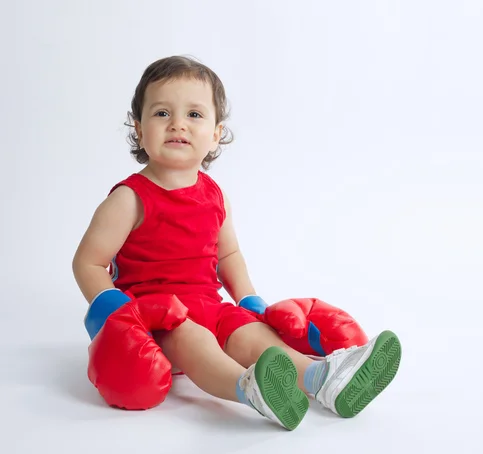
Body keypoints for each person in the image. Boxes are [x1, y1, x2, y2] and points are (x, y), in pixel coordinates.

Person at [72, 55, 401, 431]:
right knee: (191, 336)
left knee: (251, 334)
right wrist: (121, 315)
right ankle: (248, 388)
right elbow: (88, 263)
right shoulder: (130, 198)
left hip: (211, 305)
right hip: (159, 316)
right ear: (139, 128)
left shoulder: (214, 195)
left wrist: (249, 302)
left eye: (194, 114)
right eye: (162, 113)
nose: (178, 123)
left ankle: (322, 379)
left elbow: (228, 255)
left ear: (215, 134)